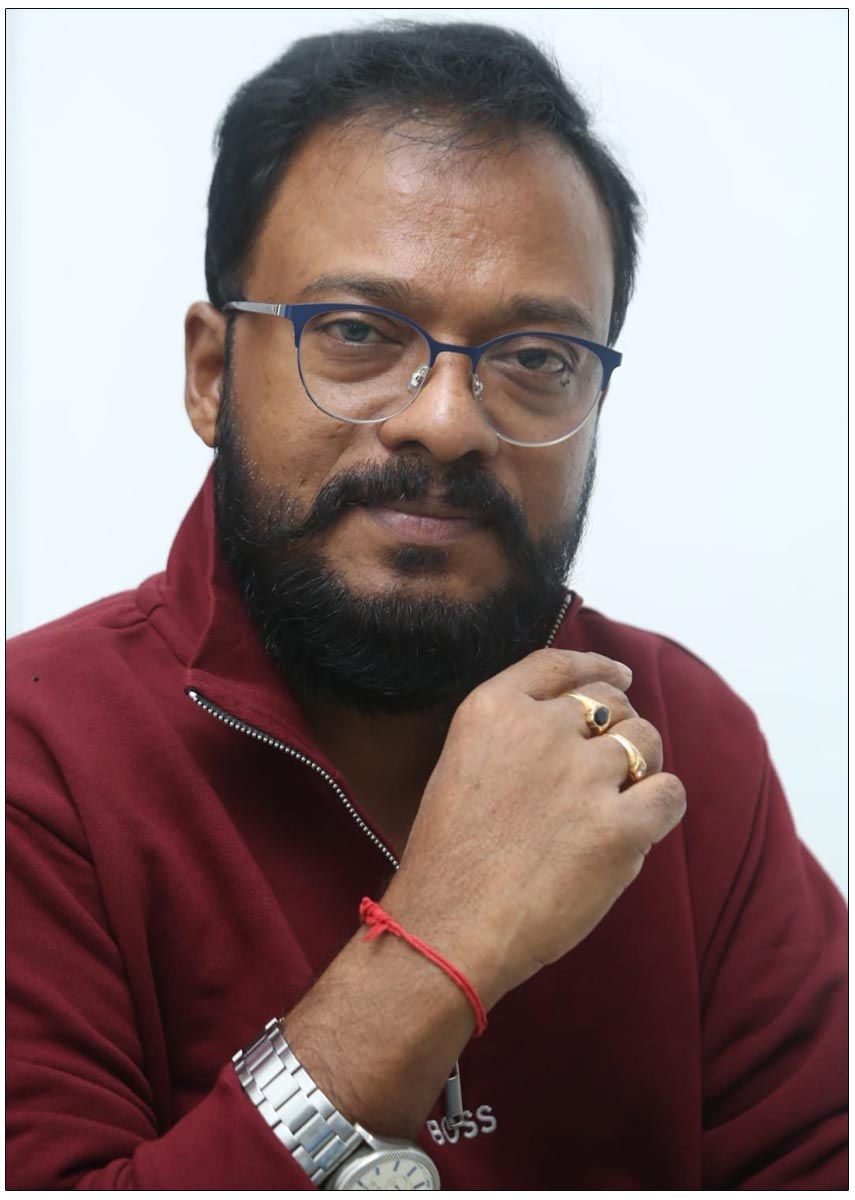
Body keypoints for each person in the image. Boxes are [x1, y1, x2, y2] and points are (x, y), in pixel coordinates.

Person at [6, 21, 846, 1191]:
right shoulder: (35, 753)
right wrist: (435, 948)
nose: (447, 422)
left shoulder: (680, 739)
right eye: (356, 333)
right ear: (211, 373)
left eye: (537, 357)